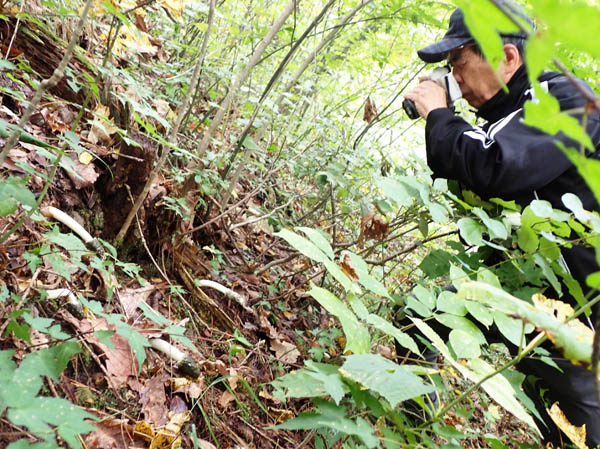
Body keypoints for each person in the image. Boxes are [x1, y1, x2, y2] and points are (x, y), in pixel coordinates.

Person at [403, 7, 600, 447]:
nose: (454, 76)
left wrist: (439, 114)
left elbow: (494, 164)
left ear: (508, 58)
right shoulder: (513, 112)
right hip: (544, 300)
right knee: (426, 315)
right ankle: (406, 432)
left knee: (581, 428)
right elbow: (478, 183)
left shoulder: (563, 99)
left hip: (583, 309)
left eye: (458, 63)